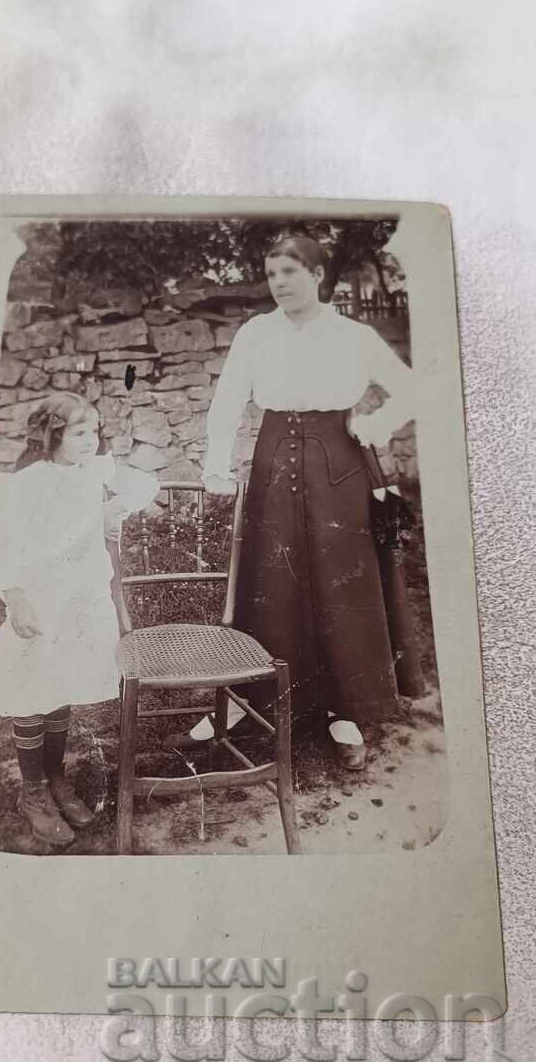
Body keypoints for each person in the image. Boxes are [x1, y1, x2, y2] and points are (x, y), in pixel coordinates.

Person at [171, 232, 418, 770]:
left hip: (341, 466)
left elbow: (415, 387)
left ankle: (344, 711)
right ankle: (247, 699)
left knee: (340, 581)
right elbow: (228, 399)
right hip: (273, 460)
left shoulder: (353, 334)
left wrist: (373, 425)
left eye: (290, 272)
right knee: (270, 581)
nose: (279, 283)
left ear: (318, 275)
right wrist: (215, 465)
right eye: (272, 273)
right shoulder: (256, 333)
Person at [0, 392, 158, 846]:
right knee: (33, 688)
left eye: (93, 432)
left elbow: (144, 485)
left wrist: (114, 508)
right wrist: (15, 599)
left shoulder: (94, 470)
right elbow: (6, 547)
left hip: (83, 599)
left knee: (63, 683)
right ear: (53, 435)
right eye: (78, 433)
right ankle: (32, 792)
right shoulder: (25, 484)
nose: (90, 441)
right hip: (40, 598)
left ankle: (56, 780)